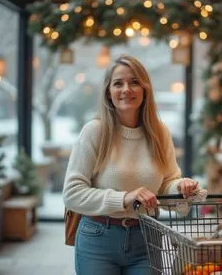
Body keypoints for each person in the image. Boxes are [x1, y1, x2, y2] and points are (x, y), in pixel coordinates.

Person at [63, 54, 199, 275]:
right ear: (109, 92)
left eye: (134, 82)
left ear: (145, 89)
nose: (127, 89)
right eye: (118, 83)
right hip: (98, 239)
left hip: (146, 239)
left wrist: (181, 187)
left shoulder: (159, 132)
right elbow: (72, 194)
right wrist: (125, 197)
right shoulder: (94, 132)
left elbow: (167, 183)